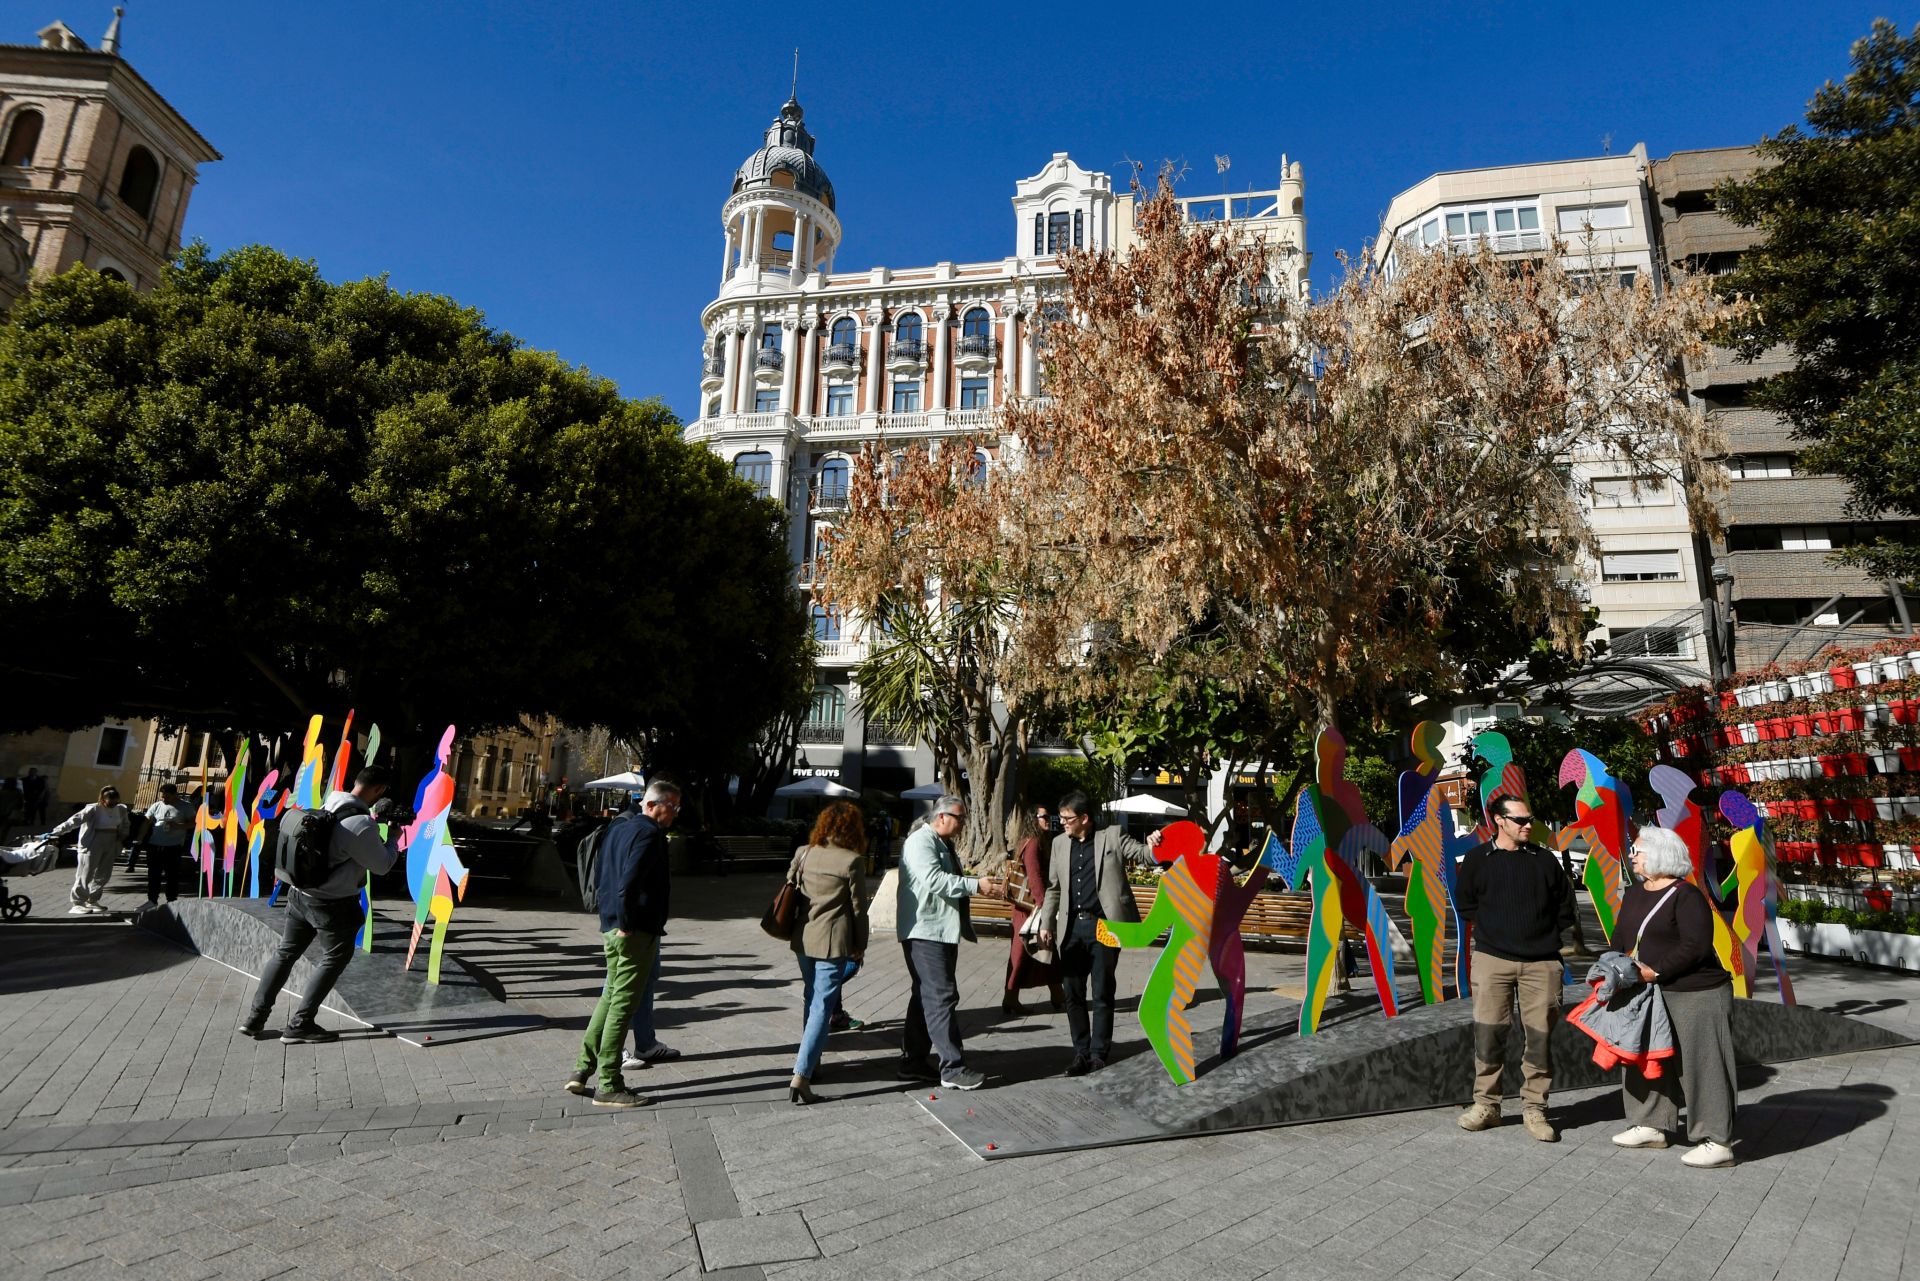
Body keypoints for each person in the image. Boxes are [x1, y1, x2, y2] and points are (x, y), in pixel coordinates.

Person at [238, 767, 401, 1043]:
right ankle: (301, 1024)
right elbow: (382, 865)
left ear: (357, 782)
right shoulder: (362, 824)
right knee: (334, 958)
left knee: (285, 953)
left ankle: (255, 1018)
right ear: (379, 791)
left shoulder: (332, 801)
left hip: (299, 893)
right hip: (332, 904)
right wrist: (393, 840)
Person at [1610, 826, 1739, 1168]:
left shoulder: (1687, 895)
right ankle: (1651, 1124)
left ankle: (1717, 1139)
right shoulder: (1635, 893)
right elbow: (1621, 935)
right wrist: (1617, 964)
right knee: (1646, 1058)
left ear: (1660, 854)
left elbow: (1695, 946)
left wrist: (1655, 970)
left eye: (1637, 849)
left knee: (1703, 1065)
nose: (1632, 855)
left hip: (1696, 992)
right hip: (1646, 991)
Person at [1454, 794, 1578, 1142]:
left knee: (1539, 1038)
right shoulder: (1478, 859)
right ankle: (1487, 1106)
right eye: (1520, 820)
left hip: (1542, 963)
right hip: (1492, 960)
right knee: (1489, 1034)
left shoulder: (1544, 860)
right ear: (1499, 820)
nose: (1528, 825)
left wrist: (1544, 935)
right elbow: (1466, 903)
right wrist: (1495, 930)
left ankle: (1535, 1109)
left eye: (1530, 819)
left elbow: (1566, 906)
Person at [567, 779, 680, 1107]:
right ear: (651, 804)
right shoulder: (648, 833)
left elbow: (603, 875)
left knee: (610, 997)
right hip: (634, 931)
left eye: (676, 807)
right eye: (670, 806)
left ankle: (581, 1069)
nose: (674, 813)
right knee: (623, 1005)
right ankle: (609, 1082)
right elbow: (627, 882)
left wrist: (613, 920)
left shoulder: (618, 828)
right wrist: (627, 924)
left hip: (612, 926)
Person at [1035, 791, 1162, 1075]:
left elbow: (1144, 855)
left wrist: (1155, 844)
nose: (1063, 823)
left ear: (1084, 818)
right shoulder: (1058, 844)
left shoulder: (1112, 836)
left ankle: (1098, 1053)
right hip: (1071, 928)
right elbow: (1054, 888)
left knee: (1103, 990)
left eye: (1068, 818)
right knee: (1072, 992)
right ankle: (1081, 1052)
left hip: (1105, 926)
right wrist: (1046, 923)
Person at [895, 794, 1004, 1090]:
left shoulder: (943, 843)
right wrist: (975, 885)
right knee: (941, 996)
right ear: (941, 817)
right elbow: (935, 880)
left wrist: (976, 882)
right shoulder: (921, 841)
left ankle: (913, 1062)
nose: (963, 824)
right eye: (960, 818)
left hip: (939, 931)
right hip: (925, 932)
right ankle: (952, 1068)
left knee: (925, 996)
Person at [787, 801, 869, 1104]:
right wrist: (860, 945)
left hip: (803, 938)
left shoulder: (803, 852)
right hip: (834, 942)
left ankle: (813, 1061)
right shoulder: (852, 861)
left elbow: (790, 885)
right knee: (822, 1005)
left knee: (812, 998)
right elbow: (859, 909)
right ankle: (802, 1074)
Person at [1002, 805, 1064, 1017]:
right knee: (1026, 953)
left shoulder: (1030, 840)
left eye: (1049, 816)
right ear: (1033, 819)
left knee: (1043, 950)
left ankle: (1056, 995)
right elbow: (1035, 875)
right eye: (1043, 816)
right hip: (1030, 908)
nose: (1048, 819)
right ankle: (1012, 998)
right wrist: (1043, 903)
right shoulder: (1034, 842)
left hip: (1026, 907)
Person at [47, 786, 130, 914]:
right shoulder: (93, 809)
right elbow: (74, 821)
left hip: (112, 842)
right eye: (110, 802)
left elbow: (125, 824)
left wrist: (123, 834)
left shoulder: (121, 809)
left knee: (104, 874)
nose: (113, 804)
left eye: (116, 802)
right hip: (93, 842)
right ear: (103, 800)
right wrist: (56, 832)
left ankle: (92, 899)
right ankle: (78, 902)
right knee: (86, 873)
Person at [140, 783, 194, 904]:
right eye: (162, 796)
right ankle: (152, 900)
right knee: (154, 874)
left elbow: (193, 823)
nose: (164, 799)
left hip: (173, 846)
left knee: (172, 875)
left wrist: (178, 826)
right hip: (155, 844)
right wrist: (140, 838)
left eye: (167, 797)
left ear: (175, 795)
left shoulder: (186, 807)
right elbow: (147, 821)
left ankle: (172, 900)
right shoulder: (157, 805)